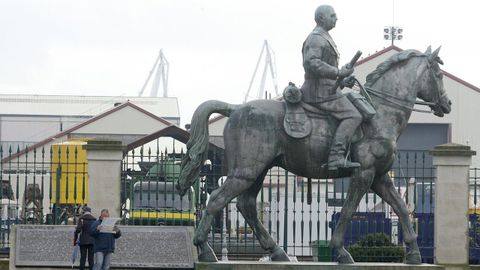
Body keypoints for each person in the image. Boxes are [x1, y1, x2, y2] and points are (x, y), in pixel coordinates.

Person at [300, 5, 362, 171]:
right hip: (317, 92)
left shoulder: (325, 37)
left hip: (326, 89)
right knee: (354, 115)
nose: (336, 18)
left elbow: (325, 72)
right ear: (321, 18)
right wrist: (338, 72)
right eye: (333, 15)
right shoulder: (316, 38)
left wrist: (342, 81)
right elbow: (311, 63)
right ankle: (336, 157)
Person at [74, 206, 96, 270]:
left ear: (84, 211)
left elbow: (78, 230)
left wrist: (76, 230)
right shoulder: (94, 219)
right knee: (91, 258)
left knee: (83, 258)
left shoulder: (82, 219)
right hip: (92, 241)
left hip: (83, 240)